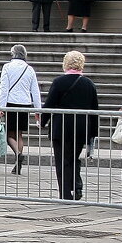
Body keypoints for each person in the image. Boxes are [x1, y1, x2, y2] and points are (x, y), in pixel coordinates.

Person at [43, 51, 99, 200]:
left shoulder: (59, 82)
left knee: (62, 160)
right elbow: (94, 110)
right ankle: (77, 186)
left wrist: (43, 121)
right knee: (73, 157)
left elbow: (49, 104)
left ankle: (66, 192)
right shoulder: (89, 84)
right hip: (80, 128)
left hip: (61, 128)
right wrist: (93, 132)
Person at [0, 44, 42, 174]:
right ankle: (18, 162)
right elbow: (35, 91)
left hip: (11, 103)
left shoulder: (7, 67)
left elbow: (4, 88)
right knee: (19, 134)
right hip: (25, 103)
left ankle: (18, 154)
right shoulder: (29, 69)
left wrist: (1, 107)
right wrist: (37, 110)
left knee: (9, 134)